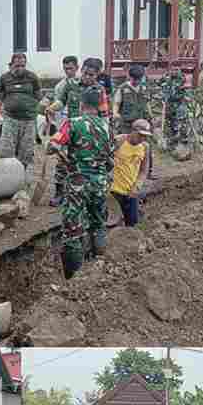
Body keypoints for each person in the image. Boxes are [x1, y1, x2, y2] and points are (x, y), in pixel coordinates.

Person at [48, 86, 114, 279]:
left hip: (78, 183)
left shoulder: (73, 123)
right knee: (98, 223)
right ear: (98, 105)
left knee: (72, 229)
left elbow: (52, 146)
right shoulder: (107, 127)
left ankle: (75, 278)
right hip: (100, 183)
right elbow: (110, 160)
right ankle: (98, 265)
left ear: (82, 104)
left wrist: (63, 157)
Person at [0, 52, 42, 168]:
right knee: (6, 150)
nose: (20, 68)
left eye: (23, 65)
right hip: (10, 119)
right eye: (17, 66)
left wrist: (40, 108)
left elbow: (38, 96)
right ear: (11, 65)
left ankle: (22, 173)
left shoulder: (32, 77)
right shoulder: (4, 78)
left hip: (29, 120)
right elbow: (1, 96)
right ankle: (8, 173)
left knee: (26, 152)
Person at [49, 56, 80, 206]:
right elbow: (58, 105)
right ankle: (59, 192)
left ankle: (77, 192)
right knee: (61, 160)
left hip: (80, 129)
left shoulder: (83, 85)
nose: (68, 71)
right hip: (64, 127)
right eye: (66, 68)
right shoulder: (60, 86)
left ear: (77, 68)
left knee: (79, 161)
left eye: (71, 68)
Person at [113, 64, 154, 178]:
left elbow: (147, 103)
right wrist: (116, 113)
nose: (136, 81)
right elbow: (116, 103)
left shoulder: (144, 89)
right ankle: (122, 171)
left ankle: (147, 171)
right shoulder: (122, 89)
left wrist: (150, 116)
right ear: (129, 76)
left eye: (139, 79)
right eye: (134, 79)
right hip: (127, 124)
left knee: (145, 146)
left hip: (142, 124)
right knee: (124, 147)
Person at [111, 119, 151, 227]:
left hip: (131, 191)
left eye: (145, 136)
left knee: (132, 224)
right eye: (140, 135)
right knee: (113, 223)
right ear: (133, 131)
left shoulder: (145, 147)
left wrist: (137, 186)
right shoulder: (119, 141)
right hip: (113, 191)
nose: (142, 138)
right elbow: (105, 161)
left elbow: (143, 170)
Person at [159, 68, 190, 150]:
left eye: (176, 70)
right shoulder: (167, 78)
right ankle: (172, 145)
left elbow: (187, 92)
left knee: (181, 125)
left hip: (179, 106)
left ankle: (183, 145)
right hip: (170, 105)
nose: (173, 71)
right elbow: (160, 85)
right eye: (172, 69)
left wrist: (184, 95)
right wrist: (163, 95)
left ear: (179, 70)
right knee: (171, 125)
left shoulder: (183, 79)